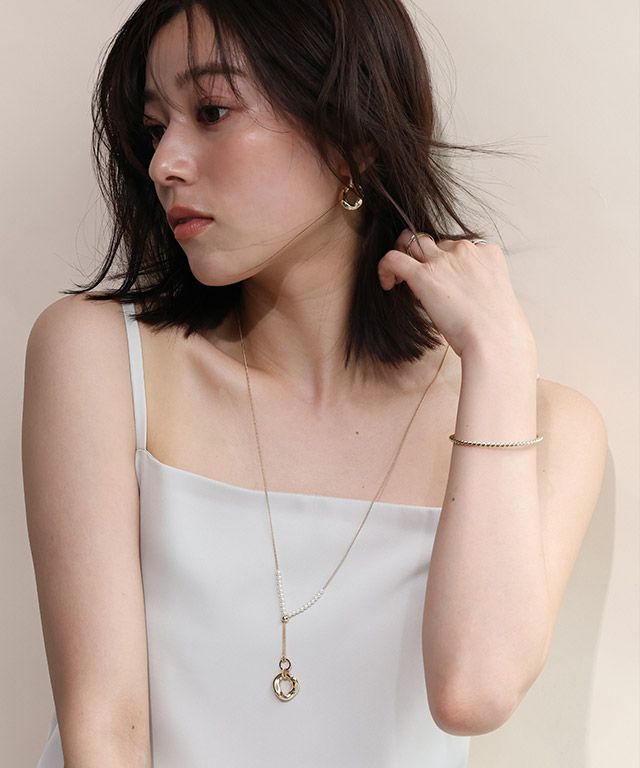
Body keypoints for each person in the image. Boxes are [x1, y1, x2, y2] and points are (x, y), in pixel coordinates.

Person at [22, 1, 608, 766]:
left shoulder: (544, 425)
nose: (165, 162)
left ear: (353, 139)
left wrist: (496, 350)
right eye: (156, 127)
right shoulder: (99, 355)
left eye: (212, 111)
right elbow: (105, 730)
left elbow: (473, 691)